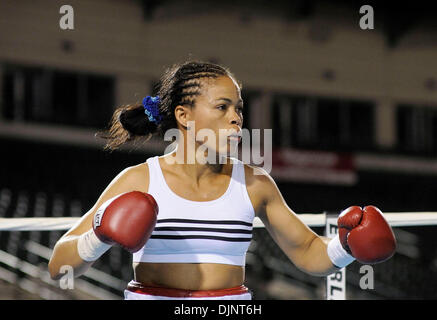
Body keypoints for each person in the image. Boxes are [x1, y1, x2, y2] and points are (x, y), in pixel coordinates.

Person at [48, 60, 396, 300]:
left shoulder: (255, 183)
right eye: (223, 107)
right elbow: (58, 267)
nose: (236, 119)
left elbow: (309, 255)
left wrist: (346, 246)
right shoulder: (140, 179)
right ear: (184, 116)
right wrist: (98, 234)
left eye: (239, 109)